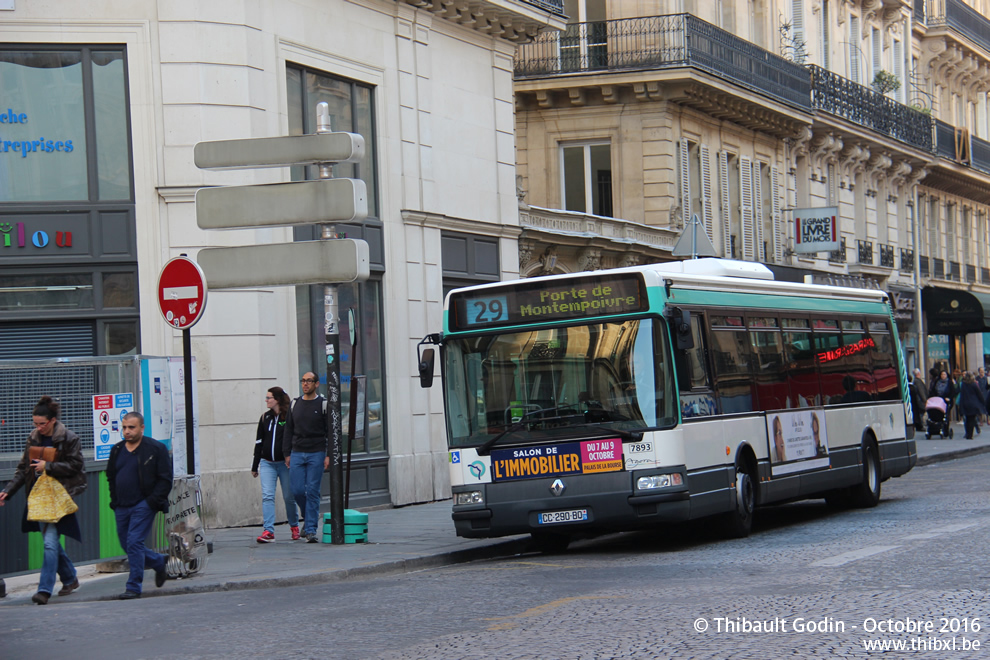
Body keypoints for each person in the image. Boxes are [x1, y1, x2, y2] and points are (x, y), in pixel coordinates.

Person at [0, 396, 86, 605]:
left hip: (59, 498)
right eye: (35, 423)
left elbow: (76, 466)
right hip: (38, 499)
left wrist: (47, 467)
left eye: (42, 424)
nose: (38, 428)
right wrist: (7, 492)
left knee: (49, 544)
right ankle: (69, 577)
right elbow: (23, 469)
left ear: (53, 420)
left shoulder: (69, 438)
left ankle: (44, 590)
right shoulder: (33, 438)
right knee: (52, 543)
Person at [106, 411, 173, 599]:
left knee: (134, 541)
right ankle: (158, 561)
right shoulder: (117, 449)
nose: (127, 431)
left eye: (131, 427)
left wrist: (151, 501)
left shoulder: (155, 449)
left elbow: (165, 479)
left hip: (143, 504)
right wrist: (115, 500)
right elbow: (111, 475)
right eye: (124, 427)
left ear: (142, 428)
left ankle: (133, 586)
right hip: (121, 505)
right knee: (127, 544)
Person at [284, 371, 330, 543]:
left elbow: (330, 432)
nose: (305, 384)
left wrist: (328, 455)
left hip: (316, 452)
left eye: (309, 381)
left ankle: (310, 529)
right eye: (303, 381)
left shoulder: (323, 404)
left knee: (312, 491)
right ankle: (309, 515)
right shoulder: (295, 404)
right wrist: (287, 453)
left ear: (316, 384)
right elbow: (288, 429)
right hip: (297, 452)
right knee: (296, 490)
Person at [252, 386, 300, 543]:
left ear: (277, 400)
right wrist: (255, 465)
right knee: (267, 496)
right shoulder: (265, 417)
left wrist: (292, 457)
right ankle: (268, 531)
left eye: (269, 398)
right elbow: (259, 442)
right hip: (267, 463)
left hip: (284, 463)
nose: (266, 401)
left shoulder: (288, 417)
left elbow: (293, 438)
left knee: (288, 496)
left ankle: (294, 526)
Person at [959, 371, 984, 439]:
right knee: (972, 419)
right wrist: (983, 402)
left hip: (965, 403)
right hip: (973, 404)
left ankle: (967, 433)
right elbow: (979, 394)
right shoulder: (974, 384)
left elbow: (962, 395)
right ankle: (970, 434)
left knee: (967, 419)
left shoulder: (963, 385)